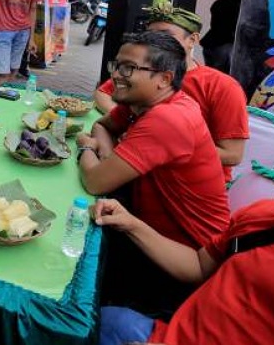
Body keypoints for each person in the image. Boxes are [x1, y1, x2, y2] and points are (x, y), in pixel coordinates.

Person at [77, 30, 229, 316]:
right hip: (147, 227)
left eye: (129, 68)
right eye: (117, 64)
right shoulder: (140, 104)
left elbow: (95, 181)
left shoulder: (168, 117)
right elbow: (102, 126)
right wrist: (108, 156)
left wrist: (86, 149)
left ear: (164, 79)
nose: (117, 75)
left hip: (181, 259)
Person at [95, 194, 274, 345]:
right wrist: (131, 224)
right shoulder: (266, 215)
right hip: (162, 334)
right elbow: (199, 265)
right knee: (91, 321)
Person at [93, 2, 248, 182]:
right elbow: (103, 94)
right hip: (133, 170)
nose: (157, 43)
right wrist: (124, 130)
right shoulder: (140, 71)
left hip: (188, 186)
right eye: (150, 36)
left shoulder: (223, 86)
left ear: (193, 39)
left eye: (166, 36)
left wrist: (157, 143)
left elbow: (233, 155)